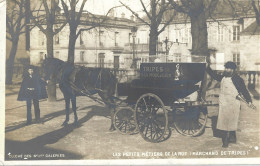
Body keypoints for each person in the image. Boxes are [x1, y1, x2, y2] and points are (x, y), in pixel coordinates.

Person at [206, 61, 254, 148]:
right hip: (224, 103)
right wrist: (207, 68)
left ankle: (229, 140)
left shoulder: (238, 79)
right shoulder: (223, 77)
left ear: (233, 70)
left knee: (231, 121)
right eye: (226, 68)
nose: (227, 70)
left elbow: (244, 90)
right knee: (223, 122)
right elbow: (214, 76)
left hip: (233, 104)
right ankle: (228, 140)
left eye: (229, 68)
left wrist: (249, 100)